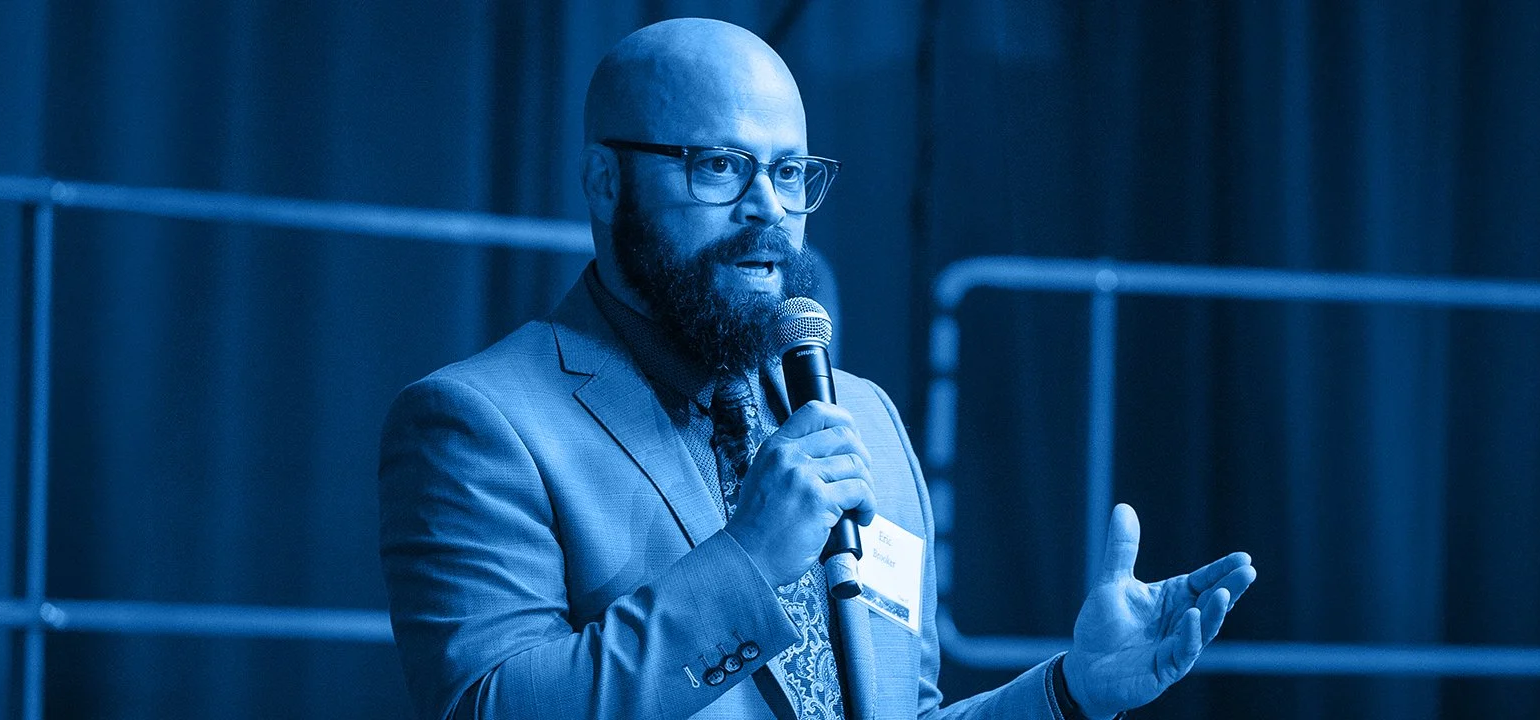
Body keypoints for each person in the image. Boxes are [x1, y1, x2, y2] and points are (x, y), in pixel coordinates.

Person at [377, 17, 1256, 720]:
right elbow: (488, 708)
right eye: (720, 166)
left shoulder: (862, 420)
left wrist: (1070, 693)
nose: (769, 210)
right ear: (606, 181)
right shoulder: (479, 423)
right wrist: (749, 557)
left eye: (790, 172)